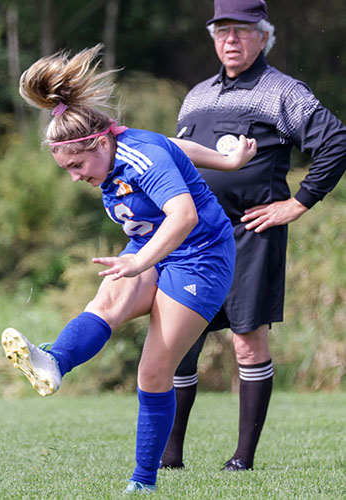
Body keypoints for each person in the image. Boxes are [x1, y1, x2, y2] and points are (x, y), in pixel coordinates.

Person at [1, 44, 256, 493]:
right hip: (152, 248)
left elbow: (184, 216)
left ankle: (143, 482)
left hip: (201, 258)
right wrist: (226, 159)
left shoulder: (141, 157)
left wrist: (140, 260)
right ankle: (54, 362)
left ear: (101, 143)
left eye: (78, 165)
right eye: (67, 169)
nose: (76, 177)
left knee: (153, 371)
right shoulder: (122, 149)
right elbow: (176, 145)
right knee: (106, 303)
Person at [161, 0, 346, 472]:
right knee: (180, 344)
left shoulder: (280, 91)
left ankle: (242, 458)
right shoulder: (197, 95)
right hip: (195, 241)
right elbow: (176, 162)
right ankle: (171, 455)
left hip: (251, 235)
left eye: (242, 32)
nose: (231, 40)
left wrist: (299, 202)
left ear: (263, 37)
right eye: (222, 31)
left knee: (248, 342)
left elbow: (336, 140)